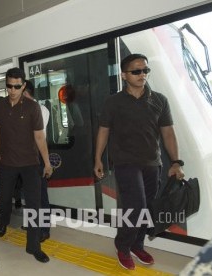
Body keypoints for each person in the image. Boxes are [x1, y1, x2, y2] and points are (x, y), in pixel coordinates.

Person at [93, 54, 185, 270]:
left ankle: (137, 244)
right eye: (136, 71)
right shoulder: (113, 102)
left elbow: (168, 133)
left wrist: (176, 162)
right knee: (136, 207)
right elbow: (103, 131)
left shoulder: (159, 100)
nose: (142, 74)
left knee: (148, 208)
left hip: (153, 163)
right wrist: (98, 159)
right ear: (124, 75)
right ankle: (123, 246)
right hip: (125, 163)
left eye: (145, 70)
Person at [0, 67, 52, 263]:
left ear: (23, 85)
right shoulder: (0, 106)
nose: (12, 90)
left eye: (17, 86)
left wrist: (46, 162)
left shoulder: (32, 107)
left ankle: (33, 246)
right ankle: (3, 221)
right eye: (9, 86)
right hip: (8, 162)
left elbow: (39, 136)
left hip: (30, 163)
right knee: (3, 199)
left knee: (34, 206)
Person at [22, 79, 51, 242]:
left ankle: (44, 229)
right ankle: (32, 223)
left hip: (37, 155)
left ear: (25, 92)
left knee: (40, 195)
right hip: (24, 157)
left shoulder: (40, 109)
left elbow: (36, 136)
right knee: (28, 193)